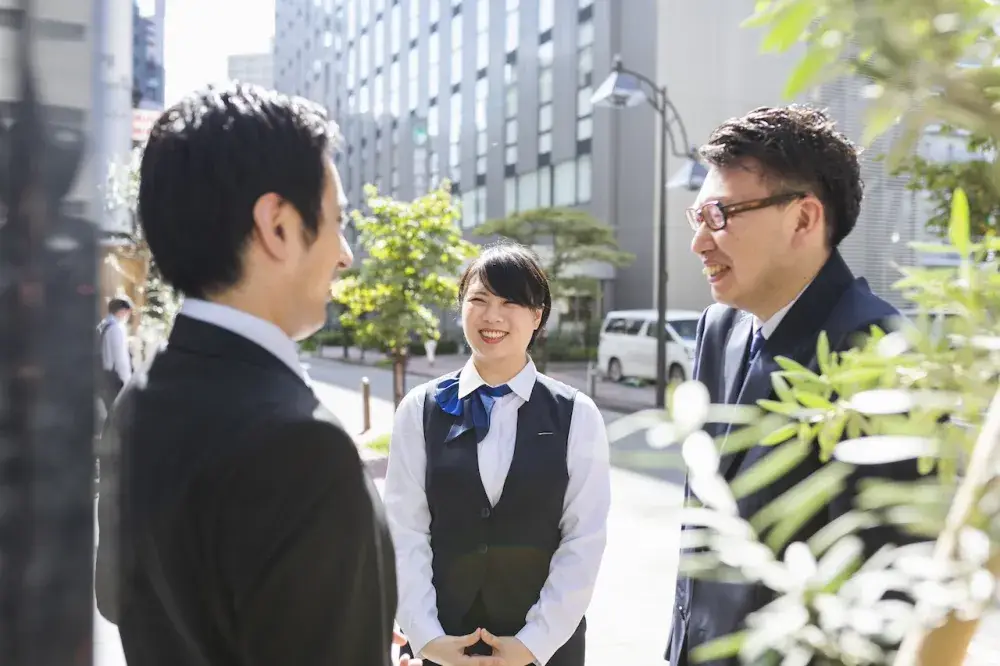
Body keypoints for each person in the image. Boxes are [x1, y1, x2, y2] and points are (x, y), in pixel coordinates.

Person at [95, 83, 409, 666]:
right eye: (337, 220)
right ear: (279, 225)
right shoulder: (303, 448)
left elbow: (119, 602)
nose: (345, 254)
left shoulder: (137, 403)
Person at [669, 105, 917, 666]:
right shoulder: (719, 326)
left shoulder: (878, 354)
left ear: (804, 219)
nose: (699, 243)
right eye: (697, 217)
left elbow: (883, 601)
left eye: (721, 214)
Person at [386, 242, 612, 666]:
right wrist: (426, 635)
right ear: (461, 308)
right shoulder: (420, 409)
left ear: (537, 315)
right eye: (479, 300)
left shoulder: (577, 414)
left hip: (547, 650)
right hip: (448, 645)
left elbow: (584, 539)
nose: (492, 316)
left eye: (511, 302)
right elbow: (404, 530)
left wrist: (534, 642)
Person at [97, 296, 133, 414]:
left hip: (102, 375)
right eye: (128, 313)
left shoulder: (103, 325)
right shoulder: (116, 329)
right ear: (122, 311)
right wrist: (127, 381)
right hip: (115, 378)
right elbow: (120, 359)